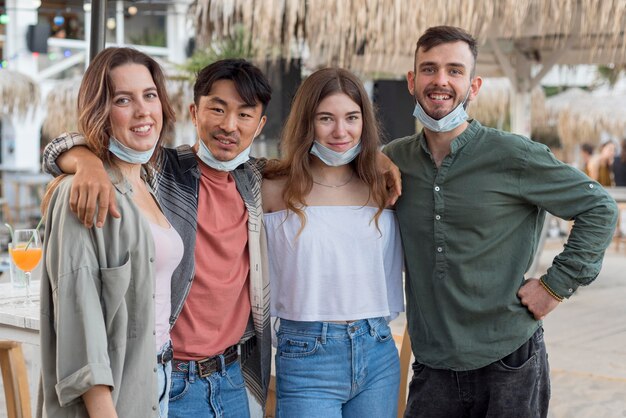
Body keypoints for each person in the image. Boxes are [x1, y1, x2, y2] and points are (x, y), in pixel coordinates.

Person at [382, 25, 618, 418]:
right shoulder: (394, 160)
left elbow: (600, 209)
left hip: (510, 360)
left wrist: (554, 286)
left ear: (473, 86)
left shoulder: (514, 155)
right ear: (412, 80)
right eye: (429, 69)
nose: (441, 80)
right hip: (433, 365)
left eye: (454, 71)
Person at [41, 59, 273, 417]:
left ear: (259, 126)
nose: (229, 125)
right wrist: (85, 162)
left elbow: (317, 169)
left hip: (230, 375)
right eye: (217, 109)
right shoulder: (163, 169)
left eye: (244, 115)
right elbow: (66, 145)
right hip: (166, 376)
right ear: (194, 113)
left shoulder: (253, 181)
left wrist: (379, 161)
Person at [38, 47, 182, 417]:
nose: (142, 111)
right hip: (114, 393)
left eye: (150, 95)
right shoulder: (83, 191)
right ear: (101, 112)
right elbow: (78, 319)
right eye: (123, 100)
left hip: (159, 376)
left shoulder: (149, 181)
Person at [262, 68, 404, 417]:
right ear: (306, 123)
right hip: (306, 354)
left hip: (378, 349)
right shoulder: (272, 189)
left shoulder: (381, 187)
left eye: (351, 118)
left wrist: (380, 159)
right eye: (326, 118)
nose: (341, 132)